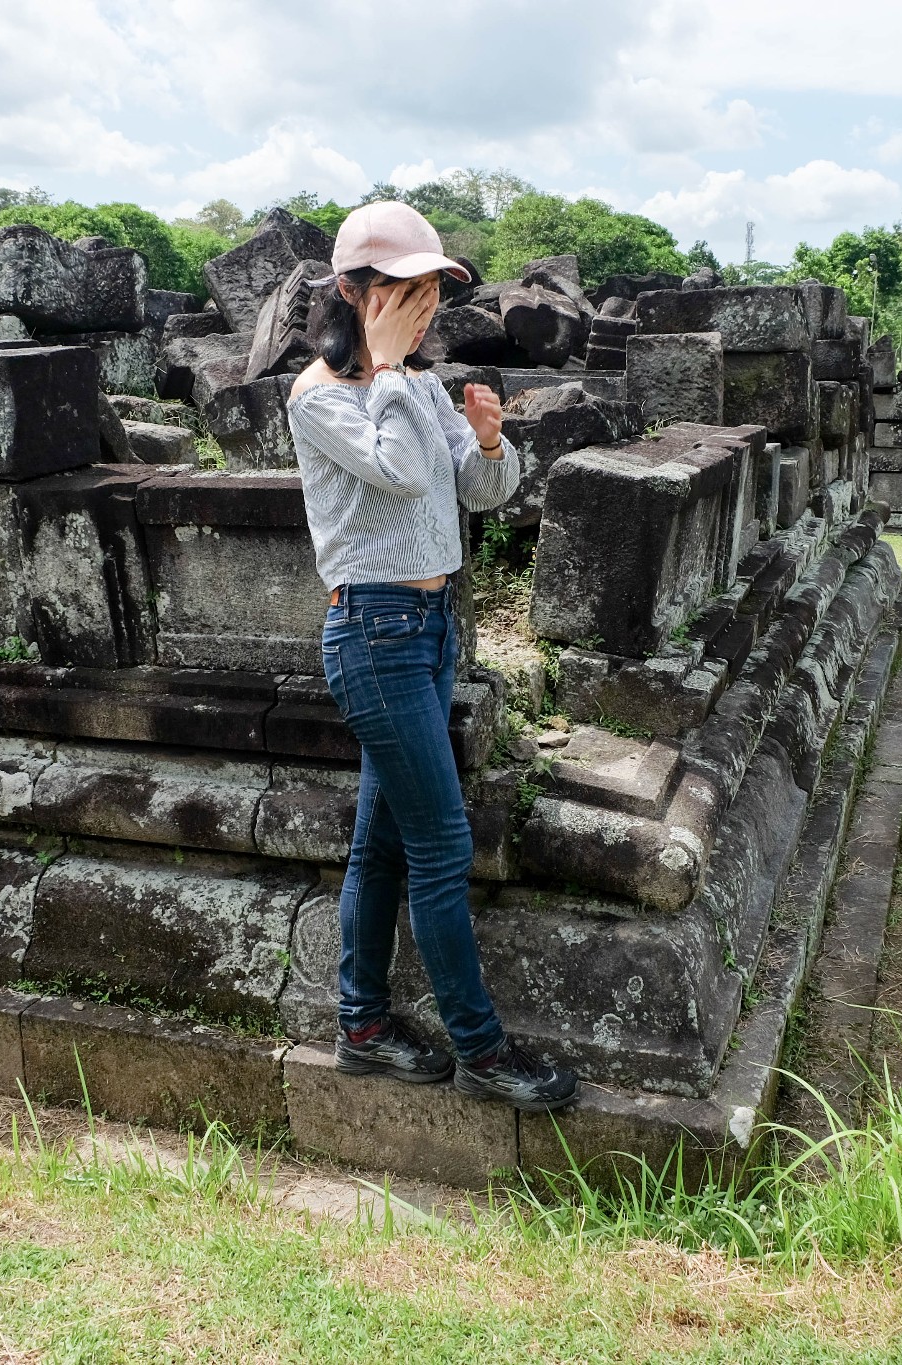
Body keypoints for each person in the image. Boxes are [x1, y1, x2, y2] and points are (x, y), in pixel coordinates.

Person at [285, 202, 579, 1113]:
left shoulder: (411, 383)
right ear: (352, 292)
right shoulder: (322, 394)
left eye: (427, 294)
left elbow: (482, 492)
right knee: (443, 847)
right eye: (400, 292)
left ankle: (363, 1024)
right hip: (372, 633)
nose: (419, 311)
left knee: (380, 844)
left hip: (431, 628)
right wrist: (381, 371)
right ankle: (481, 1048)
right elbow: (402, 473)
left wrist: (489, 436)